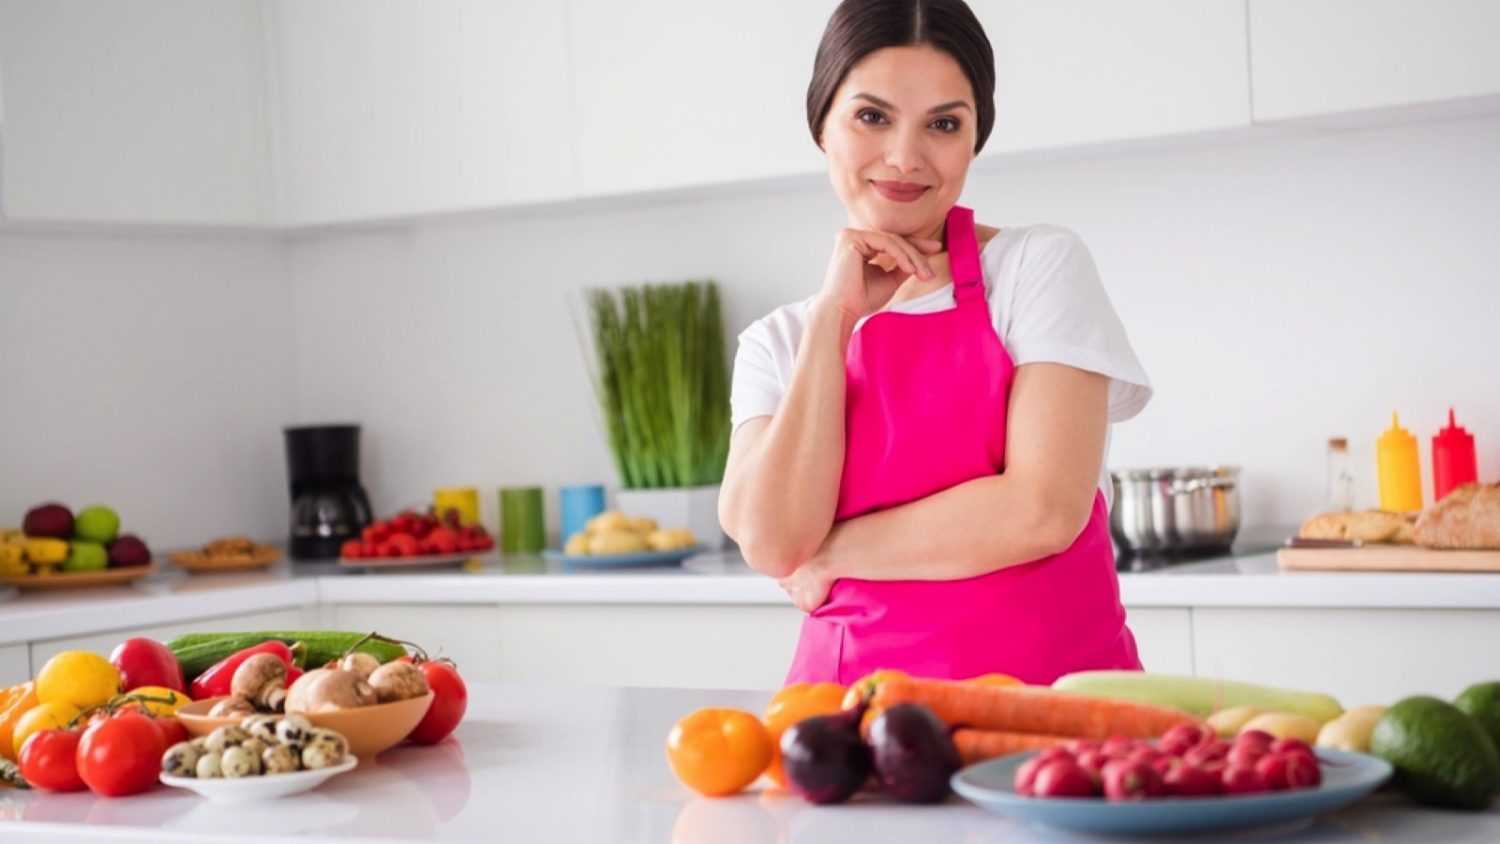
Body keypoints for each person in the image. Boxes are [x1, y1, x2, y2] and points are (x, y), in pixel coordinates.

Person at [717, 0, 1153, 686]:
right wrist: (835, 315)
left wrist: (831, 555)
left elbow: (1040, 510)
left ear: (975, 138)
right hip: (843, 737)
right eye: (872, 116)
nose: (904, 157)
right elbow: (773, 542)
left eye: (944, 124)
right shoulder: (781, 341)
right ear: (821, 124)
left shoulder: (1035, 268)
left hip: (1051, 727)